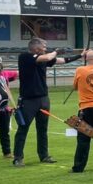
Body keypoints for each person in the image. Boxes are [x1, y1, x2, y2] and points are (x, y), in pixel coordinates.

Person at [12, 37, 81, 167]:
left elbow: (62, 60)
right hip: (28, 100)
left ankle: (44, 155)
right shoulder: (25, 57)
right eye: (43, 46)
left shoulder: (44, 59)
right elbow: (48, 57)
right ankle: (18, 157)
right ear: (36, 47)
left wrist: (80, 55)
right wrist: (56, 51)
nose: (45, 48)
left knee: (42, 129)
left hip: (43, 99)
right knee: (23, 129)